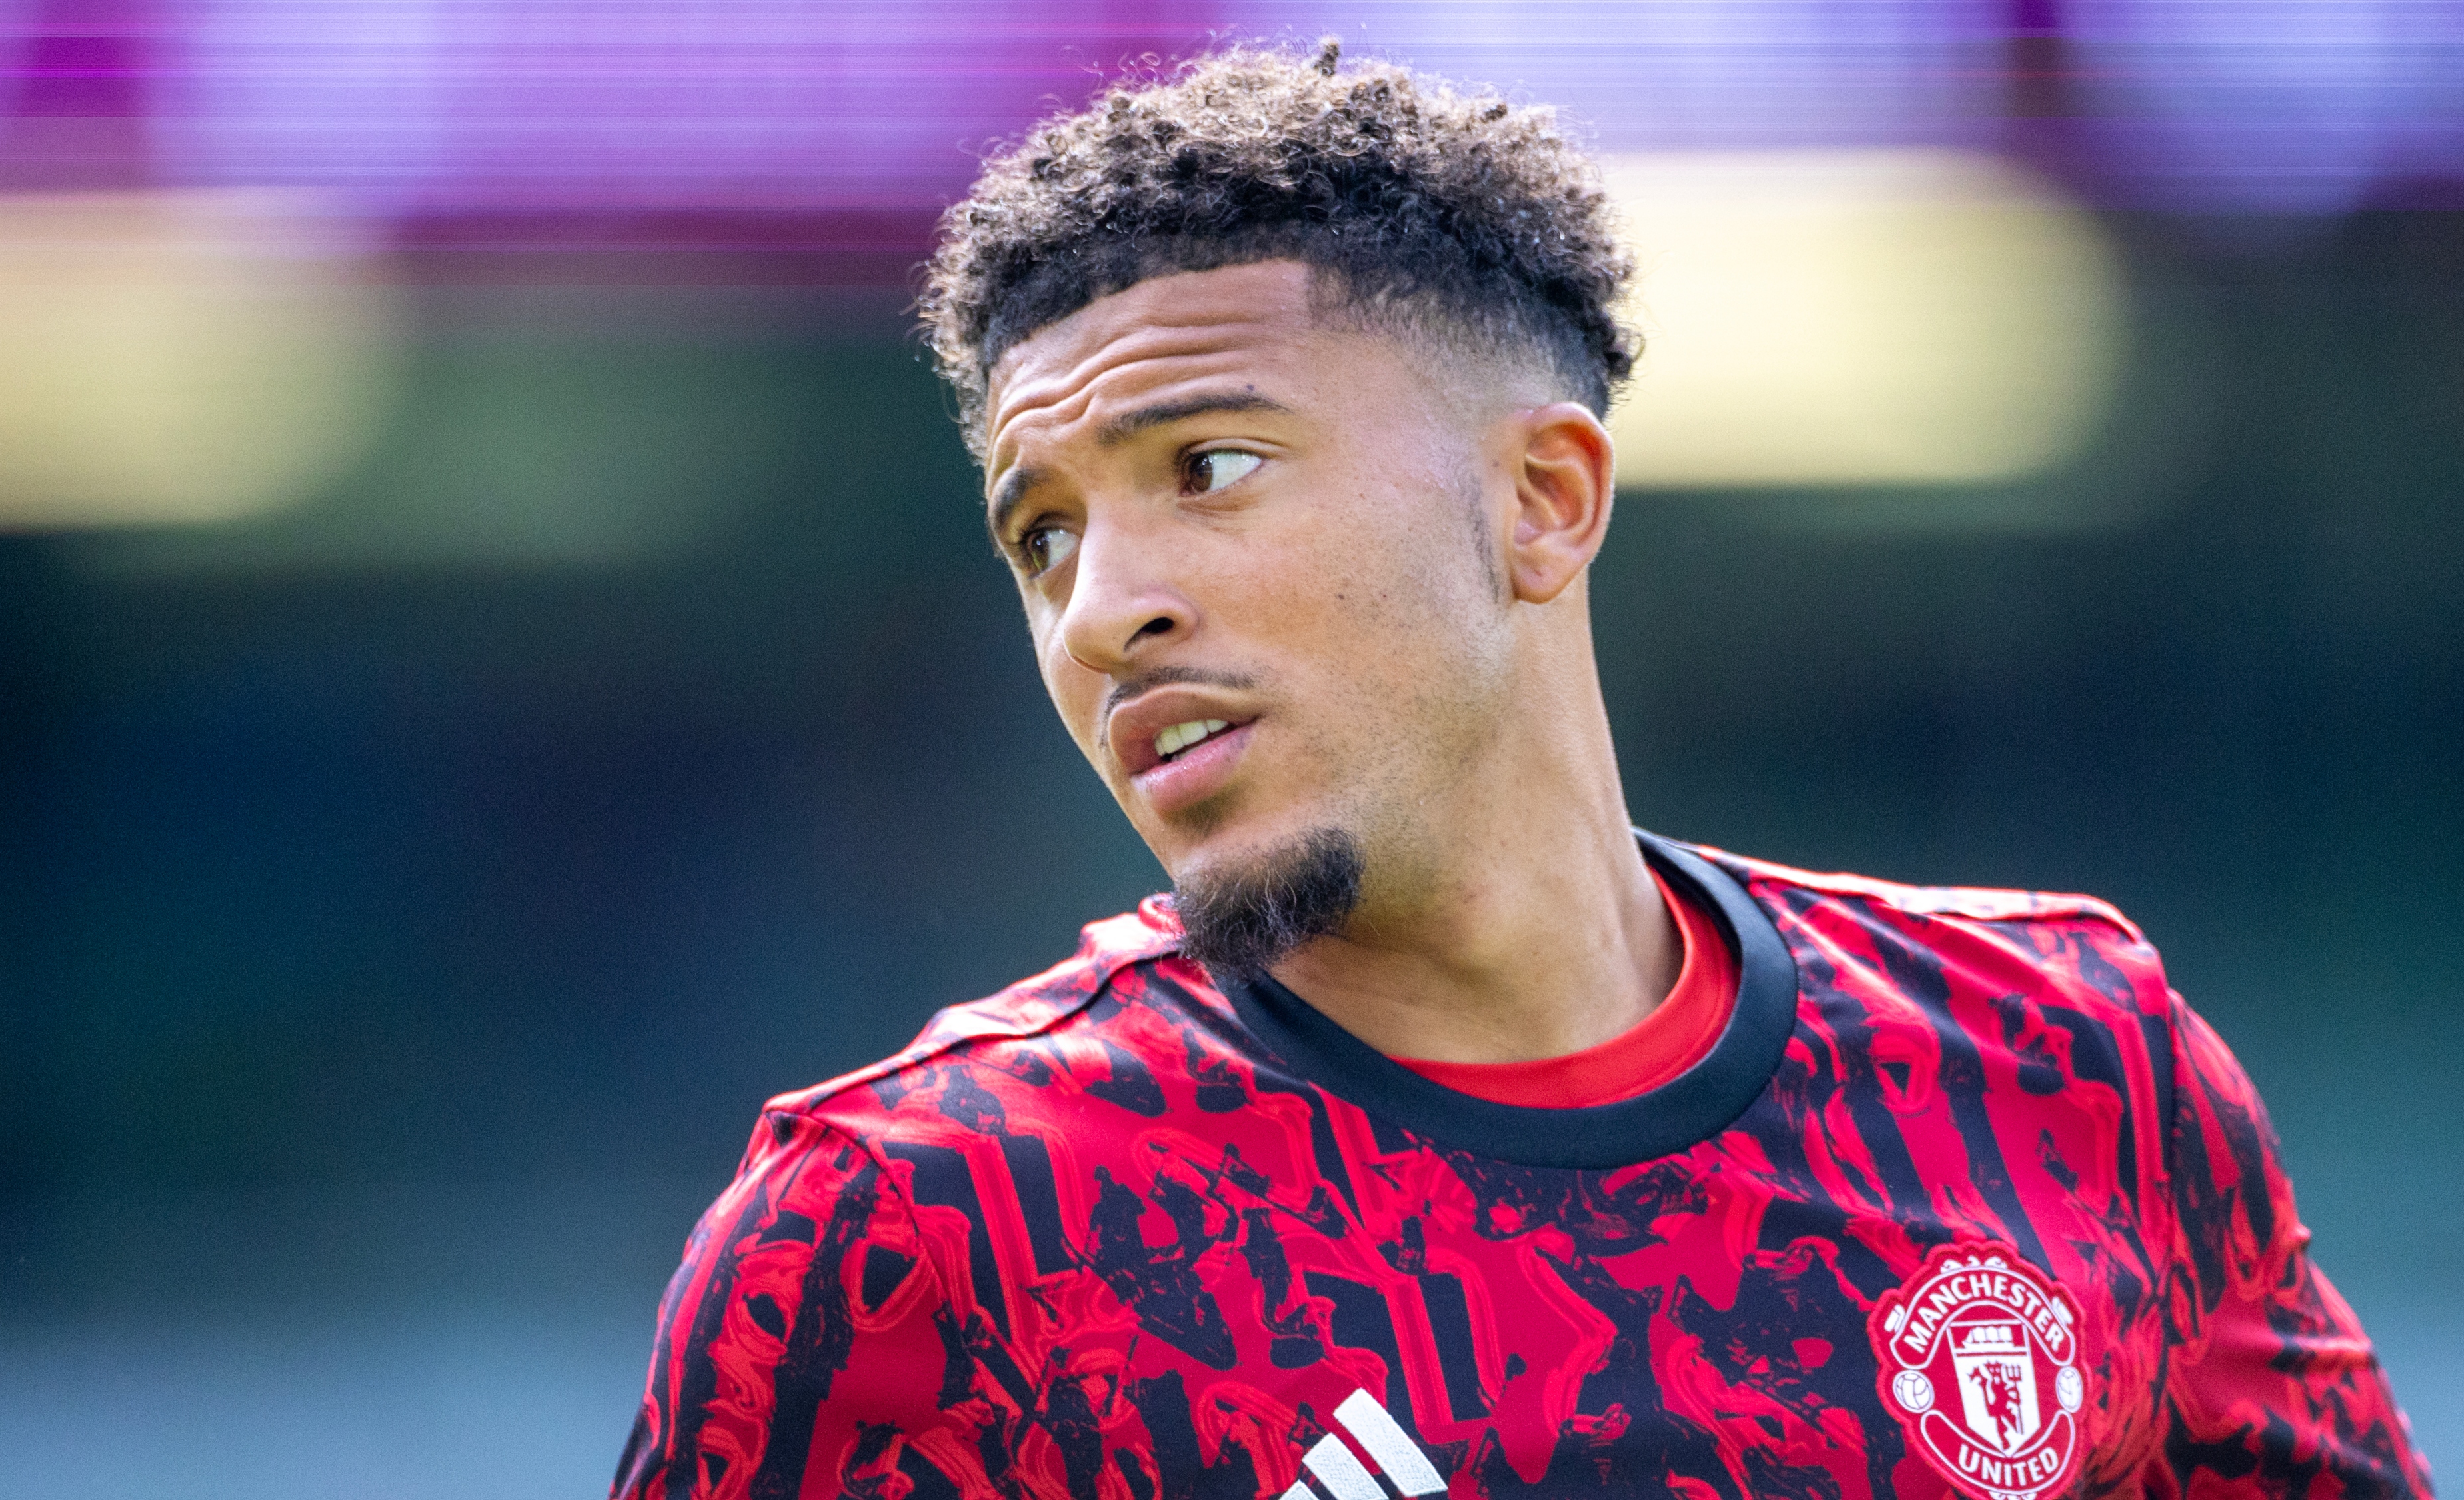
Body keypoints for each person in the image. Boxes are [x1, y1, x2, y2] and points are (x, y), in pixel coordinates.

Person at [609, 41, 2429, 1500]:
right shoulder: (917, 1234)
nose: (1104, 611)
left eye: (1211, 469)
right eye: (1042, 538)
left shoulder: (2065, 1063)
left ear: (1541, 502)